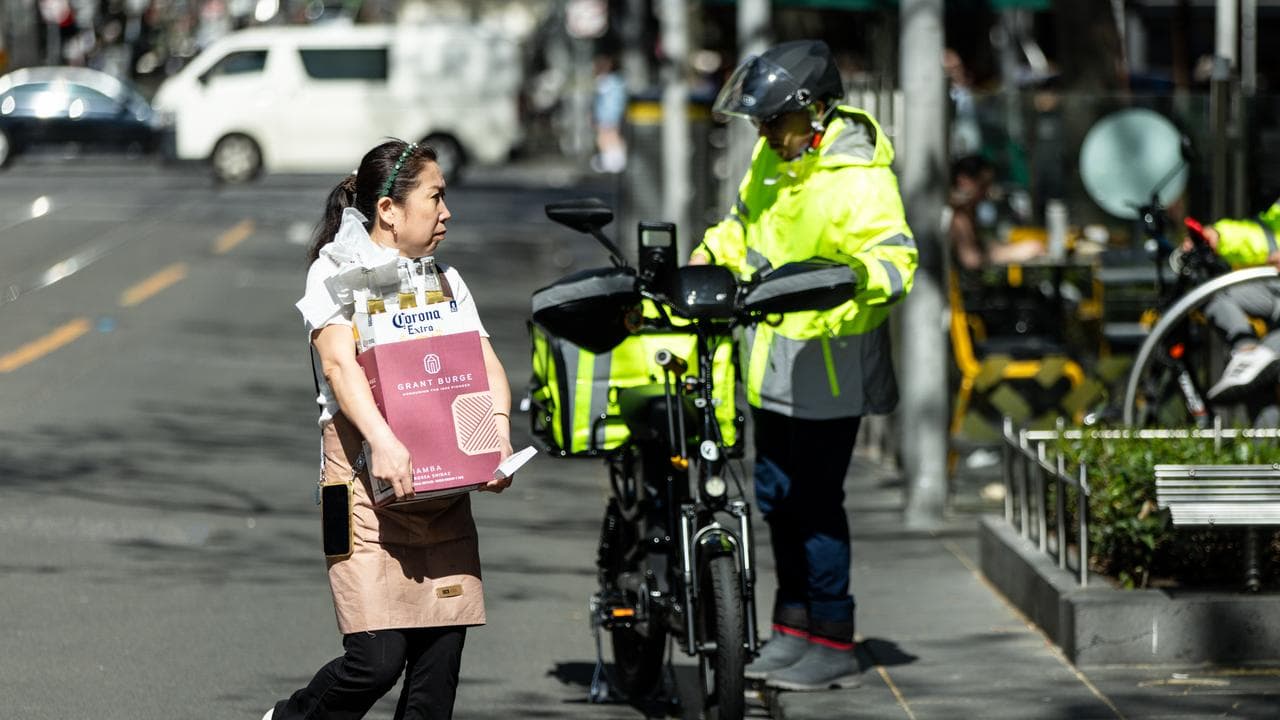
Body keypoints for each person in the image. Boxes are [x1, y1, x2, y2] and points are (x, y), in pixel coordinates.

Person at [691, 40, 917, 692]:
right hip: (770, 367)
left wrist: (844, 281)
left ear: (813, 112)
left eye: (772, 119)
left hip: (830, 369)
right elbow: (741, 228)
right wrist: (710, 259)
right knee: (776, 502)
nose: (761, 131)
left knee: (817, 506)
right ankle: (791, 629)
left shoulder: (860, 177)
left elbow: (896, 262)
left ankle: (832, 638)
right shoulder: (772, 158)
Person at [269, 139, 514, 720]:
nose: (447, 211)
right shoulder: (336, 271)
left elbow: (485, 362)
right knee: (375, 659)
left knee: (436, 671)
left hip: (441, 495)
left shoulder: (446, 279)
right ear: (389, 210)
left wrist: (496, 435)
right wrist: (382, 440)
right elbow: (337, 364)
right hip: (360, 490)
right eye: (436, 197)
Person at [1184, 198, 1280, 402]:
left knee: (1269, 355)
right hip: (1273, 297)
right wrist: (1216, 236)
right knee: (1212, 292)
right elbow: (1254, 236)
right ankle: (1247, 351)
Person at [947, 154, 1044, 272]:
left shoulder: (967, 212)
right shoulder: (957, 215)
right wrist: (1014, 253)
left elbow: (981, 247)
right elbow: (971, 260)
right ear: (963, 181)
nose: (986, 194)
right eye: (982, 186)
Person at [590, 53, 627, 174]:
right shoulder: (617, 81)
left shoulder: (607, 82)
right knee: (610, 137)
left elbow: (604, 101)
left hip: (607, 115)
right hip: (611, 114)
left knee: (607, 137)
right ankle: (614, 161)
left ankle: (613, 162)